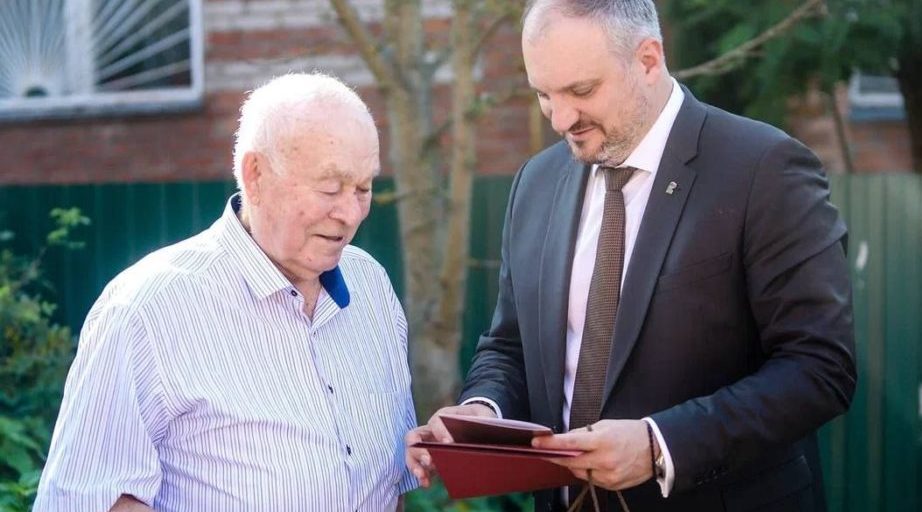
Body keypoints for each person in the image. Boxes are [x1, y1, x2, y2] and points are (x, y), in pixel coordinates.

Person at [406, 1, 856, 510]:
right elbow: (509, 345)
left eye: (581, 91)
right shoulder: (535, 182)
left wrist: (659, 444)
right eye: (543, 95)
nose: (561, 119)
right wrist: (482, 414)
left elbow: (820, 367)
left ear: (647, 60)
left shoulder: (764, 168)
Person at [34, 73, 418, 512]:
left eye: (364, 188)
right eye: (330, 188)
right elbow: (90, 501)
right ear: (256, 176)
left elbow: (390, 489)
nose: (351, 213)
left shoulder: (371, 286)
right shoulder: (146, 309)